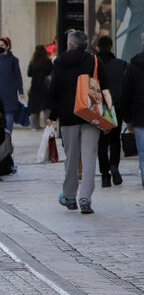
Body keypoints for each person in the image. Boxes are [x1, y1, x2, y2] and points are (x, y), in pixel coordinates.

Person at [49, 30, 107, 214]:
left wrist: (53, 114)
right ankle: (85, 199)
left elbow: (54, 90)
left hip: (68, 117)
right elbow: (104, 87)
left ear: (70, 44)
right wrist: (105, 119)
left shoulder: (59, 62)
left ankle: (69, 196)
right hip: (91, 116)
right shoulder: (94, 61)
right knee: (90, 158)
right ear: (85, 44)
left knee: (71, 157)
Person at [95, 35, 127, 187]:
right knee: (115, 139)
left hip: (98, 108)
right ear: (112, 47)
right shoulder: (121, 64)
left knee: (101, 142)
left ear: (97, 47)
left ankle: (105, 176)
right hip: (116, 106)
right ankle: (114, 164)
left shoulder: (93, 64)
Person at [121, 32, 144, 188]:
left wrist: (127, 119)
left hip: (139, 117)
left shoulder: (133, 66)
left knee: (142, 153)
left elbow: (126, 95)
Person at [0, 37, 24, 132]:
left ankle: (8, 138)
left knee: (9, 116)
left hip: (10, 93)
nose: (0, 47)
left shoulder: (14, 60)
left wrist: (21, 91)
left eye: (2, 45)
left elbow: (18, 76)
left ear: (8, 46)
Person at [27, 45, 53, 130]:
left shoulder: (33, 62)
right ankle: (47, 126)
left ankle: (35, 126)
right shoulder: (48, 62)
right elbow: (51, 72)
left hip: (34, 87)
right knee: (46, 107)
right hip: (45, 87)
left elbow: (29, 73)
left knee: (34, 108)